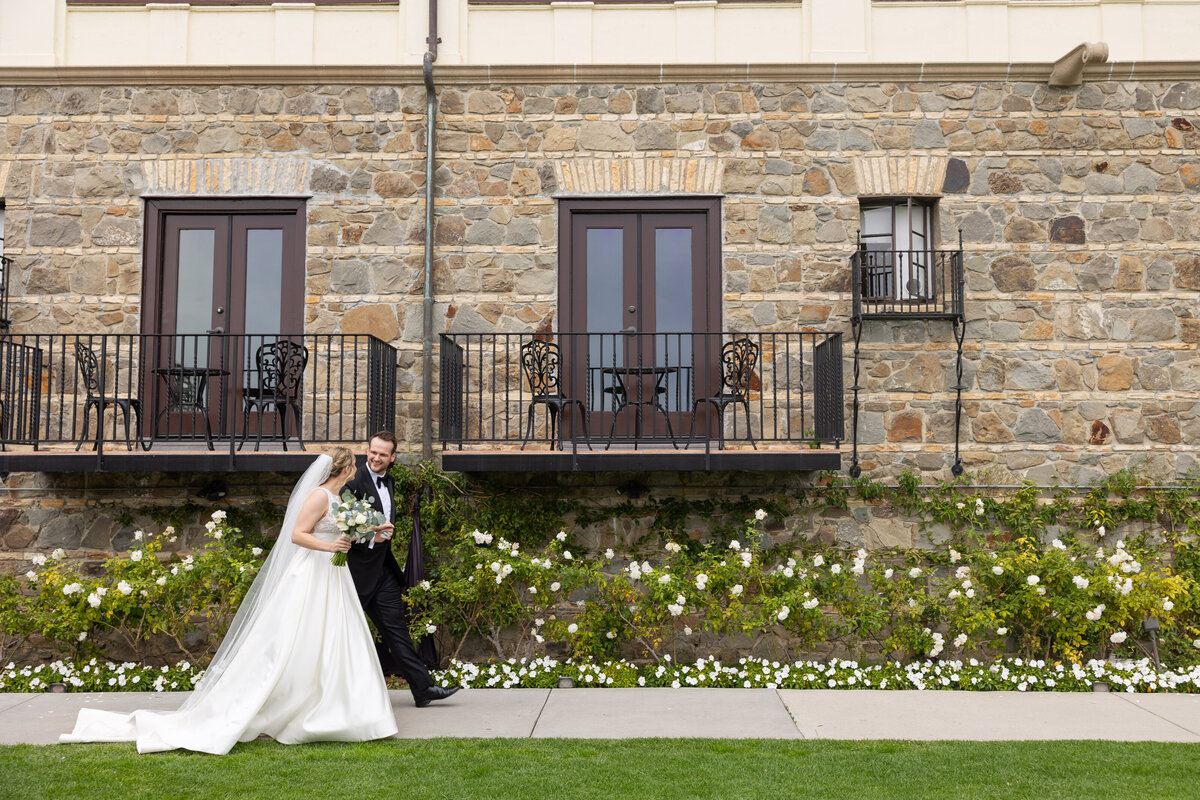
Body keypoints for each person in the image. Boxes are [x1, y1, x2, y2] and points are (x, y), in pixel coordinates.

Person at [59, 448, 398, 754]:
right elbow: (297, 535)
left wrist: (373, 531)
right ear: (346, 468)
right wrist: (331, 547)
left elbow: (342, 530)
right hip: (312, 573)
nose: (357, 468)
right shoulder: (318, 496)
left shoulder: (342, 498)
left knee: (335, 636)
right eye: (354, 464)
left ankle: (337, 707)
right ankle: (295, 707)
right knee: (299, 636)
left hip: (332, 576)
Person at [343, 430, 458, 708]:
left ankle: (423, 689)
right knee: (342, 634)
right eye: (373, 451)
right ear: (367, 450)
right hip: (354, 575)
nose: (376, 458)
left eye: (383, 454)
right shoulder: (352, 482)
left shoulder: (389, 481)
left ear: (392, 457)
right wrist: (373, 535)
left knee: (398, 631)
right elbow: (343, 526)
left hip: (382, 572)